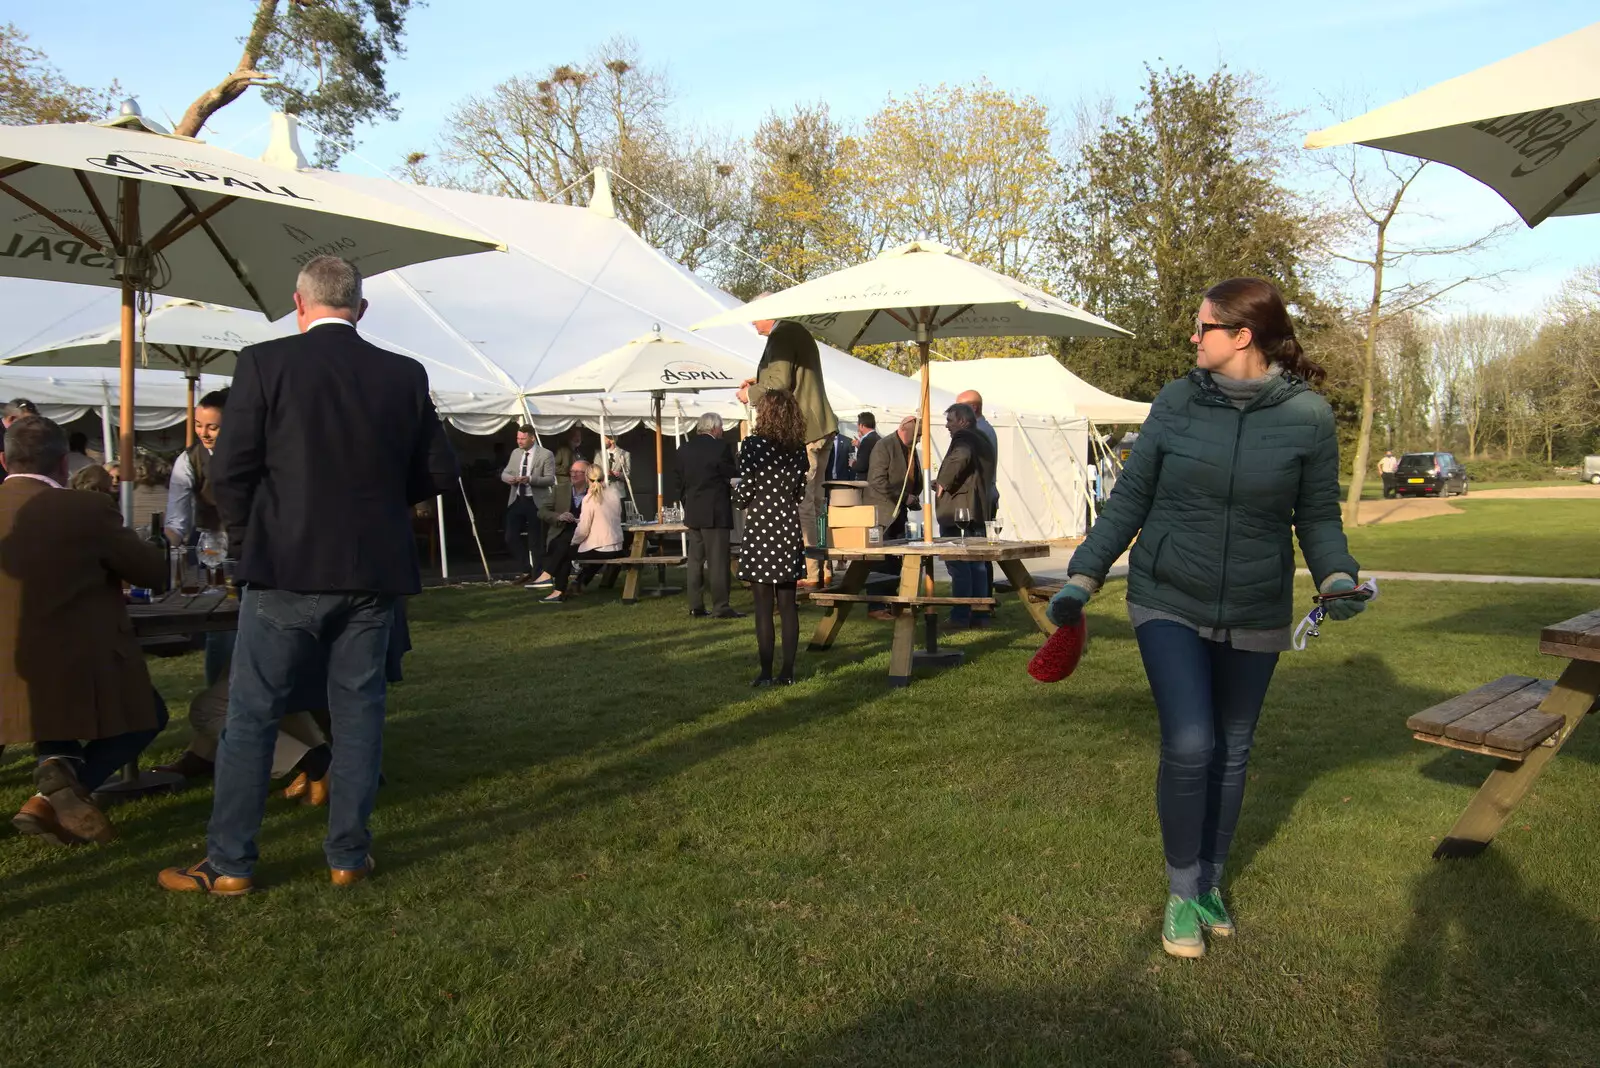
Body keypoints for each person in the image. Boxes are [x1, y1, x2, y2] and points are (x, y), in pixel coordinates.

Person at [1046, 277, 1369, 960]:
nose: (1192, 338)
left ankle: (1210, 884)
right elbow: (1130, 497)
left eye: (1203, 328)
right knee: (1191, 743)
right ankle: (1181, 888)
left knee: (1233, 750)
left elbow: (1315, 515)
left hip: (1256, 604)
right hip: (1167, 595)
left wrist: (1338, 576)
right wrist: (1082, 577)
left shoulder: (1308, 417)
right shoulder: (1177, 400)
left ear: (1242, 337)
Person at [159, 255, 457, 896]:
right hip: (371, 570)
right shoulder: (403, 373)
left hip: (284, 566)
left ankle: (232, 862)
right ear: (361, 308)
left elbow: (231, 471)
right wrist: (380, 501)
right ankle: (348, 854)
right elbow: (438, 471)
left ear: (298, 303)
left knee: (251, 717)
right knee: (358, 716)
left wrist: (247, 541)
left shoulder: (266, 363)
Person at [0, 416, 170, 847]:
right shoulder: (86, 509)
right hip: (74, 664)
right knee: (146, 715)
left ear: (4, 461)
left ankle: (52, 784)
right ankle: (51, 793)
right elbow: (152, 572)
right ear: (63, 465)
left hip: (12, 670)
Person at [737, 307, 837, 587]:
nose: (753, 322)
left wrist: (750, 393)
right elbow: (791, 376)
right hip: (821, 425)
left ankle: (810, 573)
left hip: (803, 429)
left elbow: (781, 383)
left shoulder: (782, 334)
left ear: (769, 312)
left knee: (804, 504)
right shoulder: (796, 332)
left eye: (755, 316)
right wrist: (759, 381)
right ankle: (823, 567)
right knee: (816, 504)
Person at [734, 390, 809, 686]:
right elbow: (799, 493)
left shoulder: (752, 446)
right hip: (787, 526)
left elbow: (745, 494)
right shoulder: (798, 448)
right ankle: (787, 673)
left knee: (763, 606)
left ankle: (766, 672)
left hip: (761, 526)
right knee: (788, 605)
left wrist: (734, 490)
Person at [164, 387, 234, 686]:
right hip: (214, 550)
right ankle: (216, 699)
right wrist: (158, 548)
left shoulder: (261, 452)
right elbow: (177, 521)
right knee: (220, 628)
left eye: (213, 426)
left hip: (261, 548)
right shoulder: (188, 461)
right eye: (198, 424)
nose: (204, 432)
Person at [934, 402, 996, 628]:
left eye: (950, 420)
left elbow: (961, 457)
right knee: (976, 566)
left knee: (960, 566)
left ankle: (961, 616)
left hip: (958, 513)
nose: (947, 425)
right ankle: (980, 615)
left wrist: (943, 481)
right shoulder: (983, 438)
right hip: (977, 509)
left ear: (962, 421)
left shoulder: (964, 438)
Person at [673, 412, 741, 619]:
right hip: (715, 511)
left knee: (695, 561)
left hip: (694, 511)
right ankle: (721, 606)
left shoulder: (683, 449)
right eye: (721, 428)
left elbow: (678, 482)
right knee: (718, 561)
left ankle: (696, 605)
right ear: (714, 428)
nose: (722, 432)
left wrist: (687, 503)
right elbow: (731, 474)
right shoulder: (720, 448)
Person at [539, 463, 625, 603]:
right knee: (564, 548)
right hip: (616, 546)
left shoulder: (589, 499)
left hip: (601, 547)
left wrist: (574, 542)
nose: (573, 474)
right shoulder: (614, 494)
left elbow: (583, 530)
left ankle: (555, 588)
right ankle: (553, 581)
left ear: (586, 478)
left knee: (564, 550)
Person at [863, 415, 921, 620]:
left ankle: (892, 601)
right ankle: (876, 605)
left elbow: (913, 478)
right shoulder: (884, 446)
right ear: (904, 430)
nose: (920, 440)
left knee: (896, 560)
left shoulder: (910, 449)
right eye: (917, 435)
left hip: (899, 512)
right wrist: (905, 497)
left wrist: (915, 496)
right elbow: (877, 480)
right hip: (882, 513)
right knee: (880, 560)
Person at [501, 424, 556, 584]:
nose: (519, 441)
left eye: (523, 438)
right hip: (518, 498)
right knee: (510, 536)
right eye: (518, 438)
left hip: (536, 501)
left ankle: (537, 574)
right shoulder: (516, 453)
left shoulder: (546, 454)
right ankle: (526, 568)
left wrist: (530, 479)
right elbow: (505, 472)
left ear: (532, 438)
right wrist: (508, 479)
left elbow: (550, 479)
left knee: (535, 541)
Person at [528, 460, 593, 592]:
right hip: (561, 532)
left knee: (564, 546)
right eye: (572, 471)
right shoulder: (560, 489)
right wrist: (559, 516)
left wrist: (582, 520)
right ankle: (558, 591)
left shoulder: (594, 492)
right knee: (563, 545)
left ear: (587, 475)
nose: (573, 475)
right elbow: (542, 511)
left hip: (586, 537)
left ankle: (549, 579)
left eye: (578, 472)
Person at [851, 412, 880, 478]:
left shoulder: (867, 440)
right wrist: (859, 446)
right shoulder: (878, 437)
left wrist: (852, 463)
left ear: (862, 425)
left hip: (865, 481)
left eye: (858, 425)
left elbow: (862, 466)